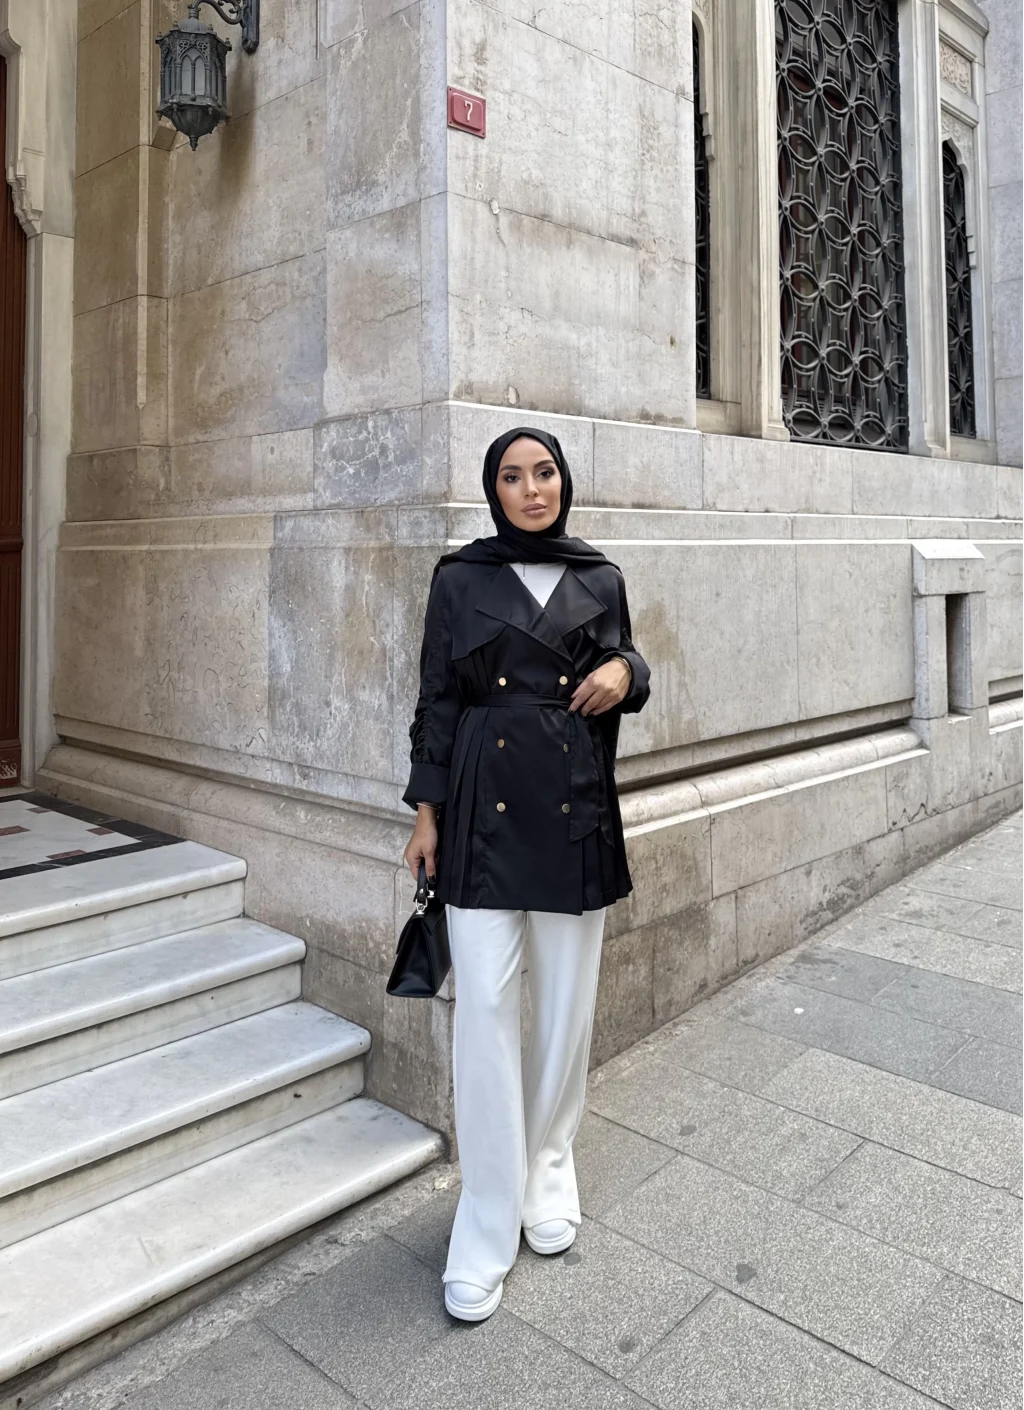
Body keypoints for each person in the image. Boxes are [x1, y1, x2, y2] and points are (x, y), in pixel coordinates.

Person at [402, 427, 651, 1322]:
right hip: (480, 810)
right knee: (484, 1015)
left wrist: (625, 669)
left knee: (566, 1012)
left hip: (573, 807)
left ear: (563, 482)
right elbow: (437, 697)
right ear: (493, 490)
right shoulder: (459, 577)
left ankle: (549, 1168)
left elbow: (630, 660)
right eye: (512, 477)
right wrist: (426, 813)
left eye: (544, 473)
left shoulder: (600, 576)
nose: (532, 489)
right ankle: (485, 1212)